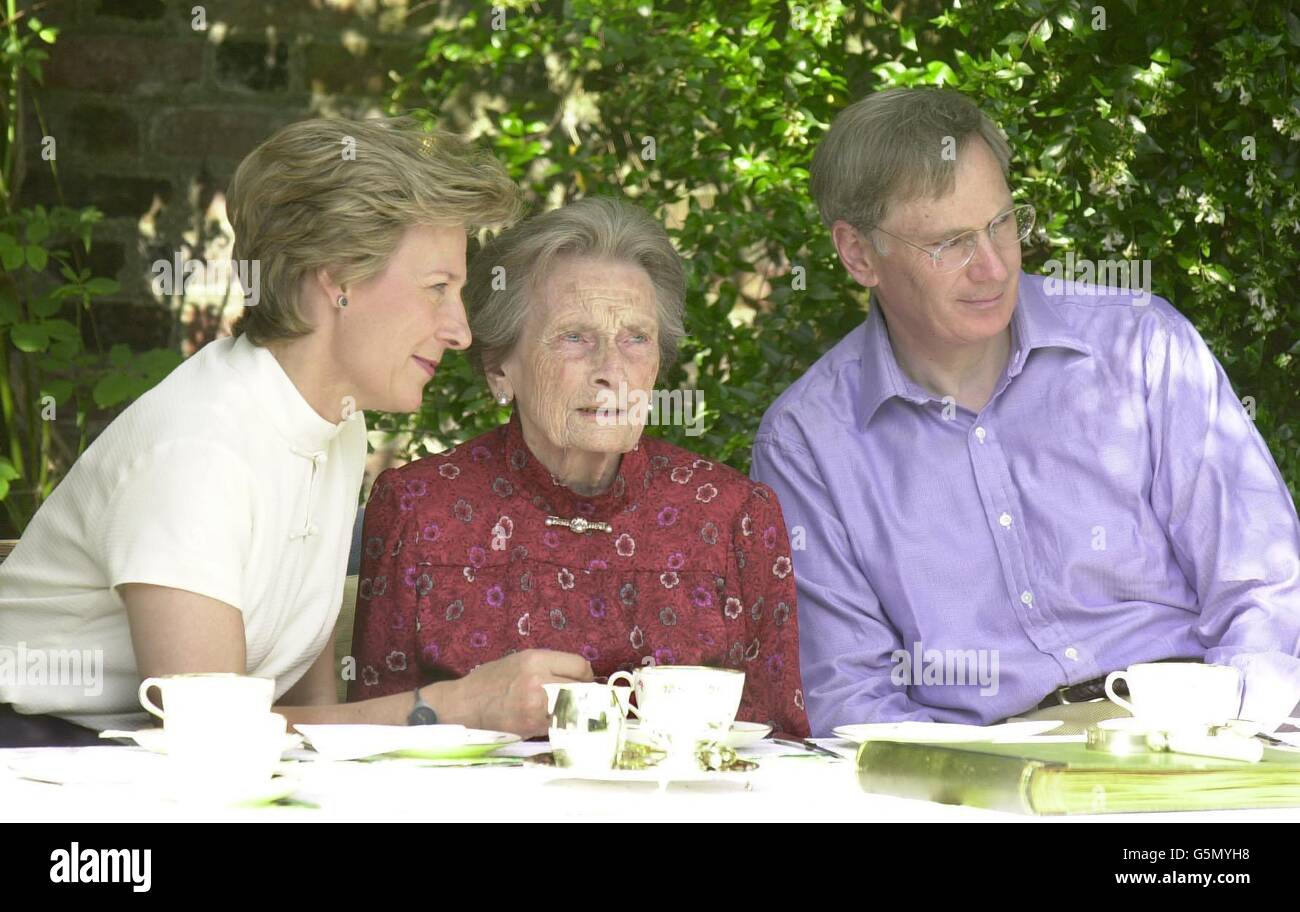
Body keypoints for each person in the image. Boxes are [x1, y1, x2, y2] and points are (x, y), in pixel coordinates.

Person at [751, 87, 1300, 736]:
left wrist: (1234, 733)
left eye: (1002, 223)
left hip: (1196, 735)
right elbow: (851, 695)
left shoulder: (1139, 344)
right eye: (950, 242)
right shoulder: (809, 442)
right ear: (859, 254)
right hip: (987, 773)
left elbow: (1264, 585)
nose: (993, 265)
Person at [0, 116, 525, 745]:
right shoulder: (200, 448)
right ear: (336, 279)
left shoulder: (336, 424)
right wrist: (448, 708)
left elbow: (311, 716)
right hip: (36, 758)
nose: (460, 330)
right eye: (438, 288)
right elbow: (210, 734)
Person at [348, 197, 810, 738]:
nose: (612, 371)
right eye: (575, 338)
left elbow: (781, 742)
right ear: (500, 367)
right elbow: (369, 745)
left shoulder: (734, 515)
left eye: (636, 338)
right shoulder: (420, 510)